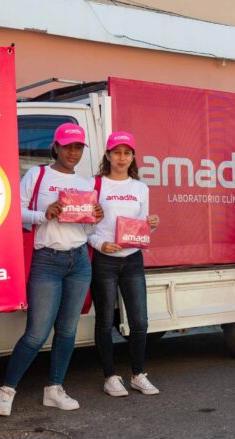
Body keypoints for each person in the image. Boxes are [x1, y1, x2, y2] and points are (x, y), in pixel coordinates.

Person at [0, 123, 104, 416]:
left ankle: (54, 389)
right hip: (47, 261)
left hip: (79, 261)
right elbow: (13, 212)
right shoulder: (37, 174)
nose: (73, 152)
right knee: (36, 333)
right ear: (55, 147)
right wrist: (44, 214)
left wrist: (95, 218)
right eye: (67, 146)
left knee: (67, 331)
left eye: (78, 147)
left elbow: (88, 227)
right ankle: (7, 389)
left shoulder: (86, 184)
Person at [88, 131, 160, 397]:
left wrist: (151, 225)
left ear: (133, 157)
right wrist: (100, 244)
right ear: (107, 155)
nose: (122, 158)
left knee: (140, 321)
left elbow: (141, 231)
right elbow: (85, 226)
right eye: (116, 152)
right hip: (104, 261)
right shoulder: (94, 185)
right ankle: (110, 376)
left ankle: (138, 374)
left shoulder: (140, 188)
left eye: (127, 153)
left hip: (132, 260)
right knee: (105, 321)